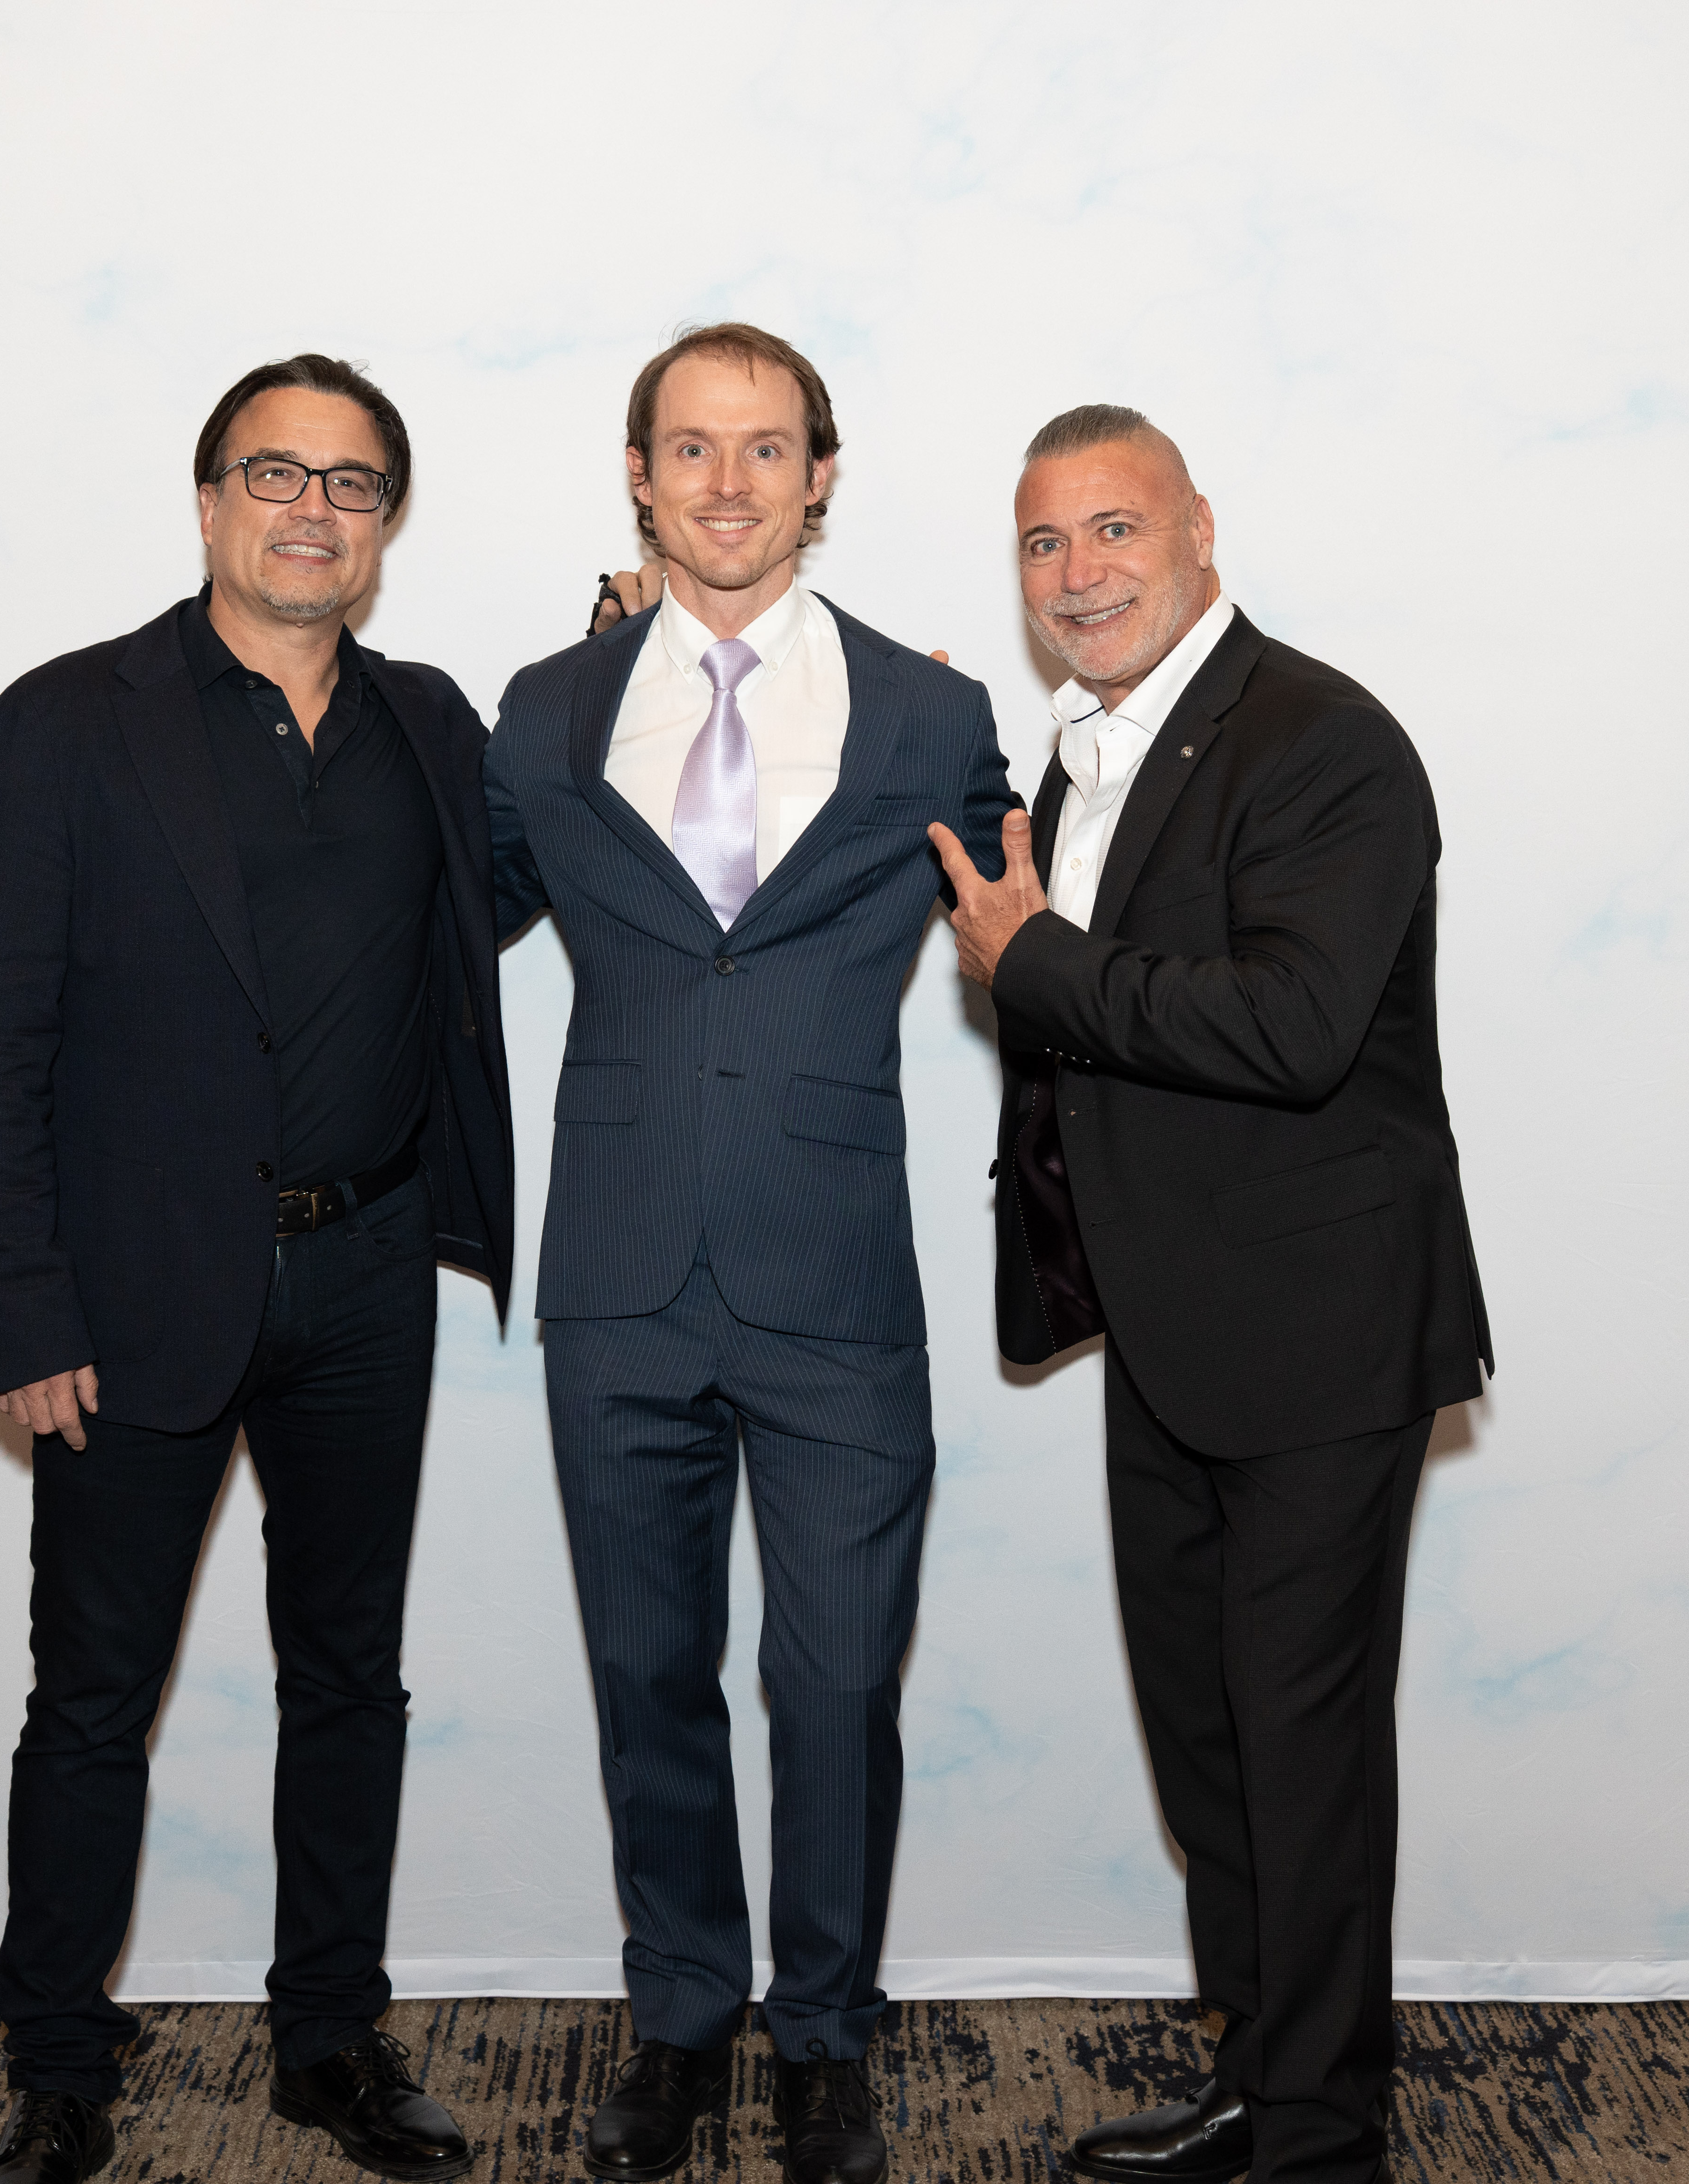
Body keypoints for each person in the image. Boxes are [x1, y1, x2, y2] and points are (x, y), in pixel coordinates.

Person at [0, 355, 511, 2184]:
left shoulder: (432, 722)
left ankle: (331, 2041)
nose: (311, 510)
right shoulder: (65, 722)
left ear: (386, 523)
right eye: (276, 473)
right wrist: (24, 1312)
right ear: (207, 504)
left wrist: (633, 660)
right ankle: (57, 2066)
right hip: (128, 1299)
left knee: (349, 1678)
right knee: (93, 1698)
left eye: (352, 483)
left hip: (368, 1277)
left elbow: (493, 899)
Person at [930, 406, 1492, 2184]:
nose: (1078, 571)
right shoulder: (1086, 752)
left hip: (1319, 1338)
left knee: (1300, 1753)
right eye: (1044, 542)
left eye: (1115, 528)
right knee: (1211, 1746)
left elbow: (1296, 1024)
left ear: (1199, 531)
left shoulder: (1323, 738)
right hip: (1168, 1330)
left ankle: (1321, 2140)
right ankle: (1263, 2079)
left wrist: (1036, 961)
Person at [484, 323, 1016, 2184]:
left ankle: (829, 2042)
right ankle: (682, 2018)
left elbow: (1044, 909)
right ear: (640, 476)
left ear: (820, 476)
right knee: (649, 1675)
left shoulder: (931, 714)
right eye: (692, 448)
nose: (728, 483)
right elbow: (436, 917)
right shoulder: (547, 707)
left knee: (840, 1686)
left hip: (836, 1281)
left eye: (766, 447)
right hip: (617, 1274)